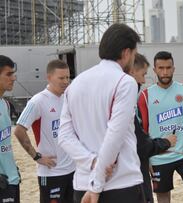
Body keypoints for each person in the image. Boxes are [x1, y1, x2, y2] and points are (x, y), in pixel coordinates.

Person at [58, 23, 144, 203]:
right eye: (134, 55)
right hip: (120, 183)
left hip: (82, 183)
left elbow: (64, 136)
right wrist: (97, 184)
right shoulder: (125, 82)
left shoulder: (76, 83)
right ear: (126, 52)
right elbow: (114, 135)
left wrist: (91, 161)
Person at [138, 51, 183, 203]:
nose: (165, 72)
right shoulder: (145, 96)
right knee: (163, 199)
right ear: (155, 70)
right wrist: (147, 159)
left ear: (173, 68)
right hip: (158, 157)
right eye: (161, 68)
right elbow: (143, 130)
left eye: (168, 68)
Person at [14, 59, 75, 203]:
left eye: (67, 77)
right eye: (61, 78)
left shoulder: (67, 98)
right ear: (49, 77)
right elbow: (19, 130)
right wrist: (37, 157)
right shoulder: (38, 101)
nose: (66, 81)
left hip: (72, 170)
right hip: (51, 173)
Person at [130, 53, 177, 203]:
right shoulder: (139, 96)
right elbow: (141, 141)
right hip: (139, 163)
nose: (144, 80)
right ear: (132, 72)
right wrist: (165, 143)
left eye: (168, 67)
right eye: (143, 74)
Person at [0, 55, 20, 203]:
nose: (13, 78)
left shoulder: (5, 104)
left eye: (13, 73)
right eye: (8, 74)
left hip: (11, 179)